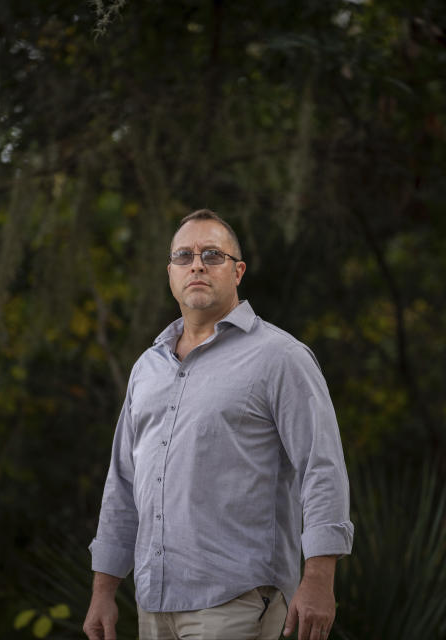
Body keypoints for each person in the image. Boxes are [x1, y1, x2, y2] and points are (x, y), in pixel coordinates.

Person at [83, 210, 354, 640]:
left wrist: (319, 579)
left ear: (238, 271)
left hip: (239, 600)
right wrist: (104, 589)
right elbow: (122, 483)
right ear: (170, 272)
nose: (197, 265)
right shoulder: (147, 367)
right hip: (153, 605)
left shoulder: (280, 358)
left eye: (212, 254)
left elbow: (322, 469)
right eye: (184, 256)